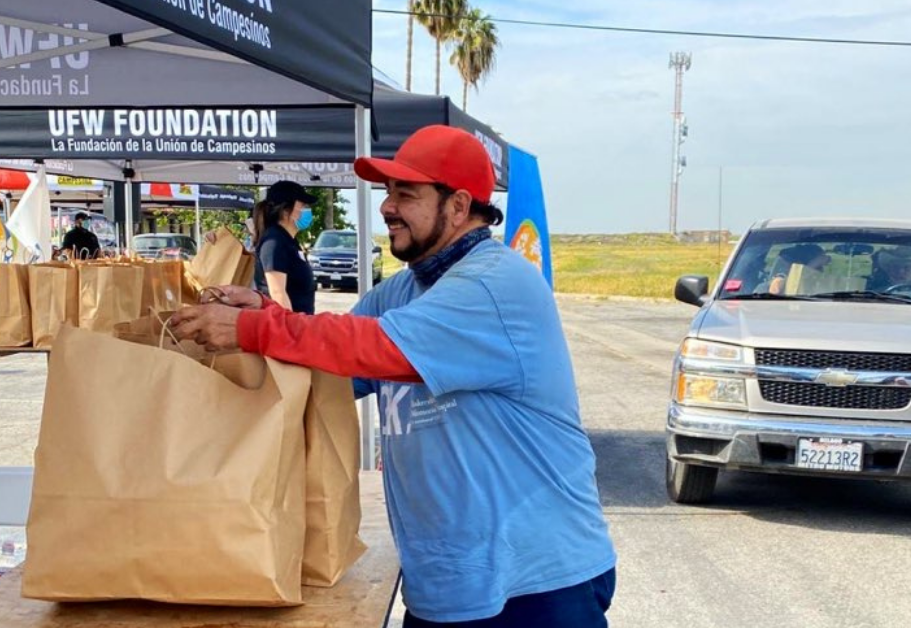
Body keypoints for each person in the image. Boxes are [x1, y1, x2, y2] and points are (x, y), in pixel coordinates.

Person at [171, 125, 617, 627]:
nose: (387, 207)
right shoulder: (403, 290)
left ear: (457, 206)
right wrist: (257, 311)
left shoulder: (495, 283)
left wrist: (256, 328)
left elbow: (375, 348)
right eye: (387, 192)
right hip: (447, 587)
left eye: (407, 193)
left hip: (537, 586)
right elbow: (332, 358)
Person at [253, 181, 317, 314]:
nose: (307, 210)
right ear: (285, 210)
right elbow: (278, 293)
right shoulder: (274, 241)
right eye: (303, 205)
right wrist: (291, 329)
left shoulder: (289, 240)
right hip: (286, 327)